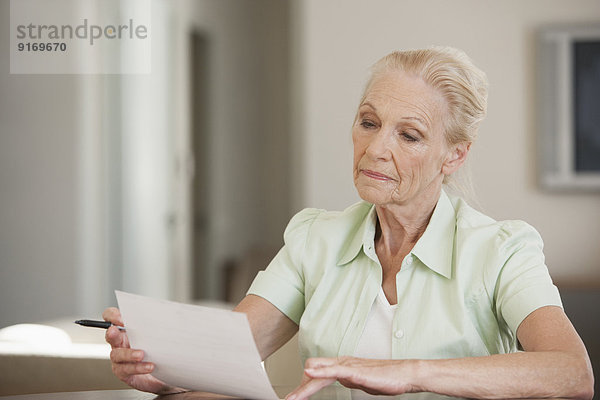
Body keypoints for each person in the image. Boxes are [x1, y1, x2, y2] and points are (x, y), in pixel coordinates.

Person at [103, 46, 594, 399]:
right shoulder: (313, 238)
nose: (377, 148)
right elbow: (226, 357)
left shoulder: (504, 250)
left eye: (410, 135)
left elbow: (572, 374)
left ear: (454, 155)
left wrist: (411, 373)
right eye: (368, 122)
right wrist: (160, 368)